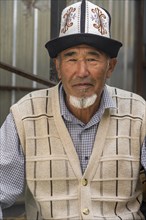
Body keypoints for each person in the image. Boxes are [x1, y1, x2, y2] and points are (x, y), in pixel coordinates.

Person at [0, 0, 146, 219]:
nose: (81, 71)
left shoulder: (138, 113)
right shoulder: (25, 115)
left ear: (110, 67)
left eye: (92, 58)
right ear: (58, 67)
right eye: (71, 58)